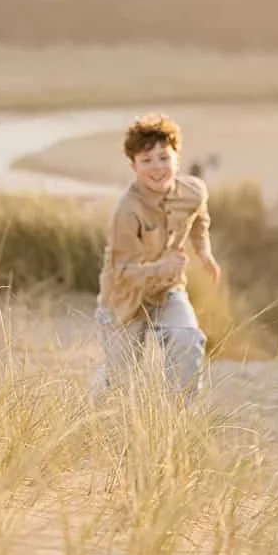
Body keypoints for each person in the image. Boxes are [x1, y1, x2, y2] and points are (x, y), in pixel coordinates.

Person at [96, 112, 221, 394]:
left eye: (164, 157)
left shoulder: (193, 190)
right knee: (119, 382)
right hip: (122, 300)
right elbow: (122, 271)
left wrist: (204, 254)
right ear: (134, 165)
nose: (157, 168)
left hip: (167, 291)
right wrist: (161, 267)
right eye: (146, 160)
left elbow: (199, 220)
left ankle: (178, 420)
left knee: (187, 339)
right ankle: (95, 412)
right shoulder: (127, 210)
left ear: (177, 157)